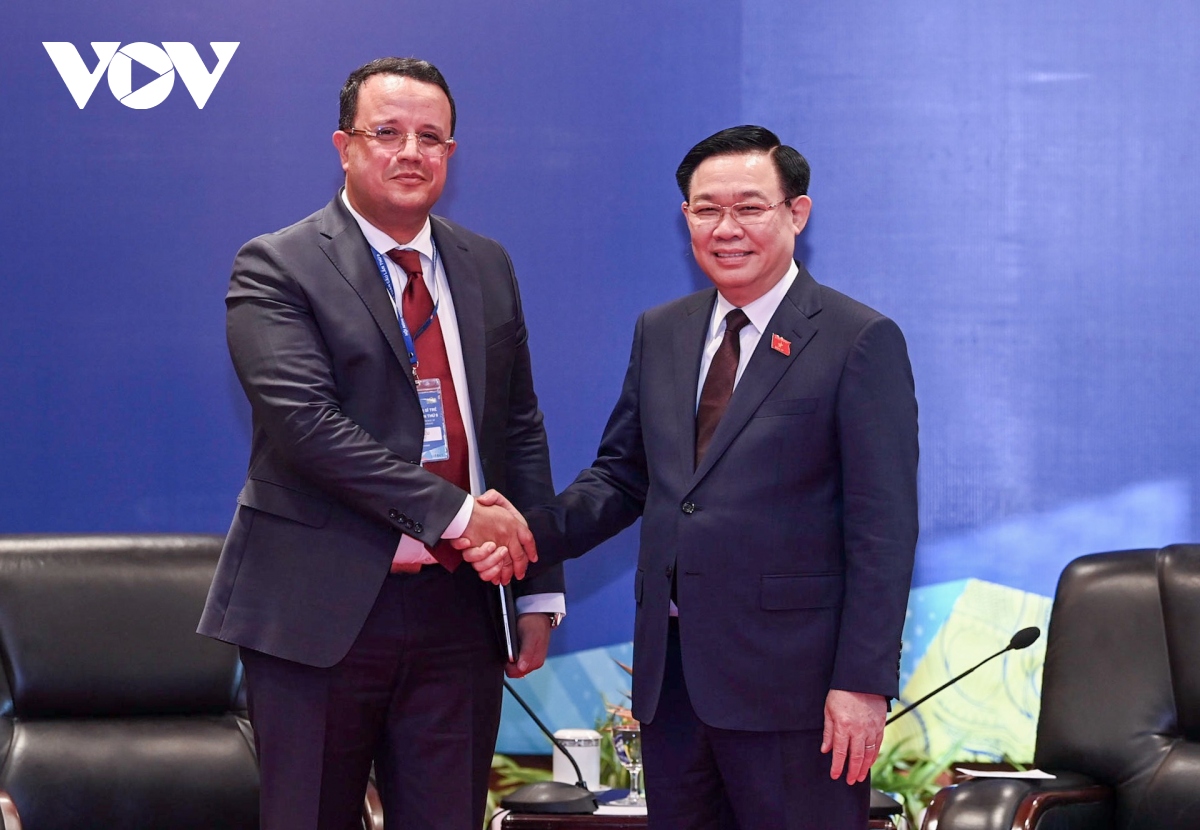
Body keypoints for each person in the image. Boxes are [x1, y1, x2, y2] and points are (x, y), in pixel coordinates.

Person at [463, 125, 918, 829]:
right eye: (707, 209)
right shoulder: (663, 330)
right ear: (686, 218)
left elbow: (882, 529)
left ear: (796, 213)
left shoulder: (857, 339)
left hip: (796, 693)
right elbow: (622, 478)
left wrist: (861, 683)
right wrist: (525, 534)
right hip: (673, 685)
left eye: (750, 207)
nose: (726, 228)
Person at [198, 57, 564, 830]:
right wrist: (462, 517)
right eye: (387, 133)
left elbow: (518, 428)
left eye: (431, 138)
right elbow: (307, 427)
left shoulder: (486, 264)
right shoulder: (278, 264)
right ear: (344, 146)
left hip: (458, 611)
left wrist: (534, 587)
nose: (411, 153)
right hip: (317, 610)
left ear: (451, 154)